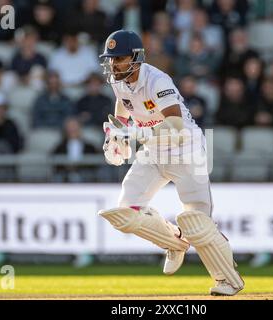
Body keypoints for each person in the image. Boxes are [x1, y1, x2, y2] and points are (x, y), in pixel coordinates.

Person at [98, 30, 244, 296]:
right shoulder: (118, 80)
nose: (113, 64)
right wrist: (118, 134)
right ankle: (175, 242)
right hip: (153, 151)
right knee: (127, 213)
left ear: (135, 58)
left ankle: (227, 280)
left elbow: (176, 125)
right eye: (111, 59)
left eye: (118, 59)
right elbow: (123, 103)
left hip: (186, 150)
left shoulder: (157, 80)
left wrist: (139, 134)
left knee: (198, 222)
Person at [52, 118, 98, 182]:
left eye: (75, 127)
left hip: (86, 178)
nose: (72, 129)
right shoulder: (59, 147)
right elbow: (55, 164)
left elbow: (95, 165)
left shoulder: (90, 147)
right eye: (70, 127)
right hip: (64, 179)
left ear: (80, 128)